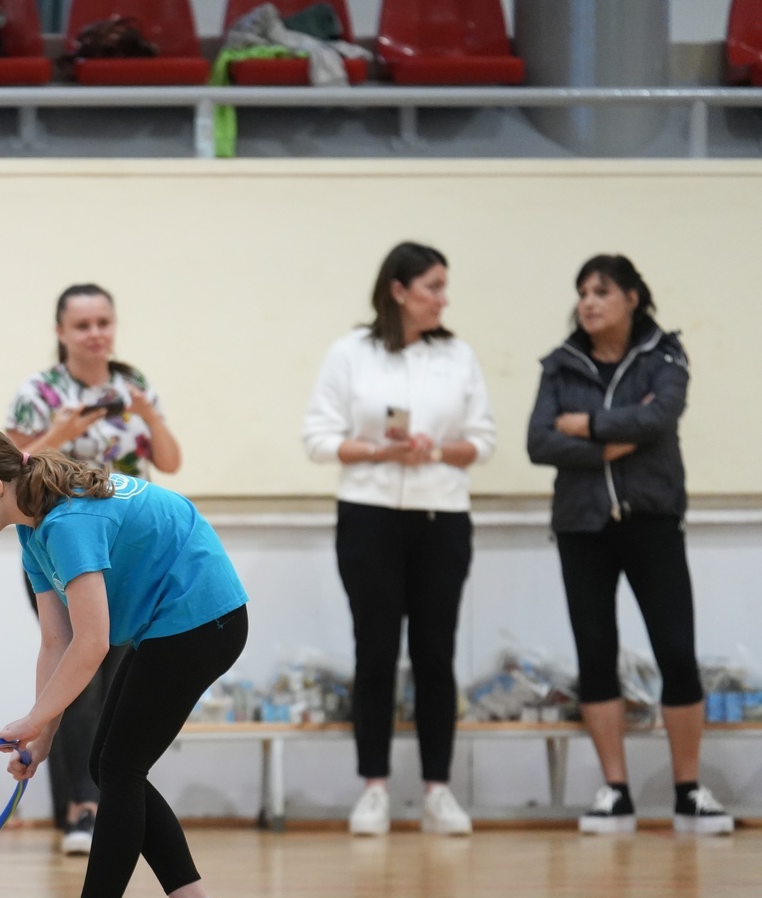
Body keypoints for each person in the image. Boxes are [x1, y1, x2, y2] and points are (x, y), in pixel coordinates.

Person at [0, 419, 249, 898]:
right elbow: (57, 640)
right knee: (111, 765)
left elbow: (93, 643)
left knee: (118, 768)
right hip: (169, 624)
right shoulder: (32, 529)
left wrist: (31, 718)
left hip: (201, 619)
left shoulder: (68, 523)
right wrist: (42, 734)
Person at [526, 254, 732, 835]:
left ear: (632, 298)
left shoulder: (664, 354)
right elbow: (539, 442)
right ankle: (615, 792)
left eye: (602, 291)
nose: (588, 303)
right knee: (596, 654)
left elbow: (660, 418)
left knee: (676, 651)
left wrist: (586, 425)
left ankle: (689, 792)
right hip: (582, 525)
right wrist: (615, 439)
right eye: (582, 293)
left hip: (651, 519)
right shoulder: (560, 365)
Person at [302, 242, 496, 837]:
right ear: (398, 290)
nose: (443, 299)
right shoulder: (351, 353)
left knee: (436, 653)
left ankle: (438, 790)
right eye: (433, 287)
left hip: (442, 515)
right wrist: (377, 451)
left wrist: (435, 451)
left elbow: (483, 441)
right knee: (376, 652)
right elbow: (317, 439)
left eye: (444, 287)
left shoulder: (458, 355)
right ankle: (374, 789)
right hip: (369, 515)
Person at [6, 283, 183, 855]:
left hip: (129, 554)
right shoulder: (39, 392)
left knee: (120, 679)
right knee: (75, 672)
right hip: (63, 547)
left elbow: (170, 461)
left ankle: (111, 801)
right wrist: (63, 432)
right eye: (82, 325)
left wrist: (148, 412)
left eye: (103, 322)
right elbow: (10, 469)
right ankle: (80, 807)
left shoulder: (133, 384)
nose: (95, 334)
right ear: (61, 332)